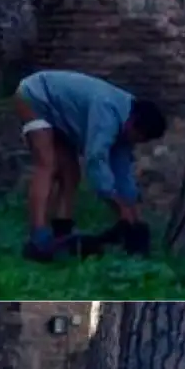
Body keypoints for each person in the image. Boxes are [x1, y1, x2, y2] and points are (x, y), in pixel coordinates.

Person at [13, 70, 167, 262]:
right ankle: (38, 236)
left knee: (71, 173)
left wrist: (132, 212)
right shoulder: (107, 112)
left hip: (60, 113)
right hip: (35, 94)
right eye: (140, 138)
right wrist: (116, 204)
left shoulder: (129, 120)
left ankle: (62, 231)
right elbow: (95, 158)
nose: (137, 142)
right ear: (134, 126)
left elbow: (122, 169)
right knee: (47, 164)